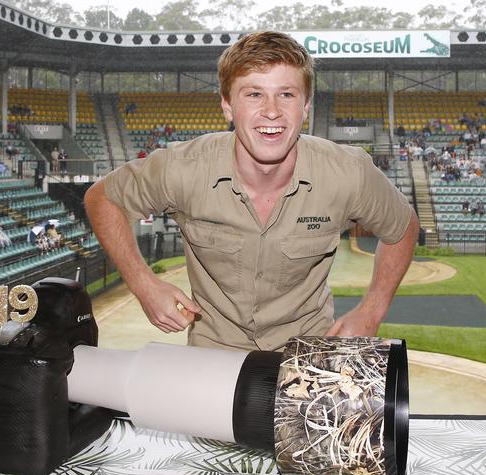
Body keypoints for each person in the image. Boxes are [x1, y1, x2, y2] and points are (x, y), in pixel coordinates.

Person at [84, 31, 419, 352]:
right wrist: (143, 283)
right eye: (254, 94)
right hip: (214, 352)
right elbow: (102, 198)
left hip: (306, 352)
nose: (271, 111)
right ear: (228, 106)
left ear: (305, 107)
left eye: (286, 94)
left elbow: (403, 228)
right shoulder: (183, 167)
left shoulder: (349, 172)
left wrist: (371, 311)